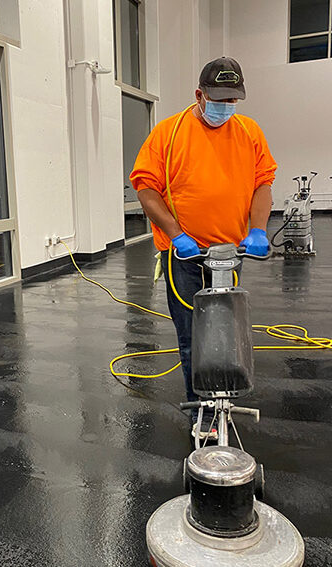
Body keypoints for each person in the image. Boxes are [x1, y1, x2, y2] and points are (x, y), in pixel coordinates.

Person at [130, 57, 277, 439]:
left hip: (231, 252)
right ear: (199, 94)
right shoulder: (169, 132)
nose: (225, 107)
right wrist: (176, 234)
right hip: (186, 254)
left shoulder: (249, 132)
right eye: (218, 99)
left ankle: (224, 398)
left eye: (232, 100)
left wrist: (258, 230)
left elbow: (263, 182)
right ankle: (203, 410)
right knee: (193, 334)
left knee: (227, 330)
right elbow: (145, 187)